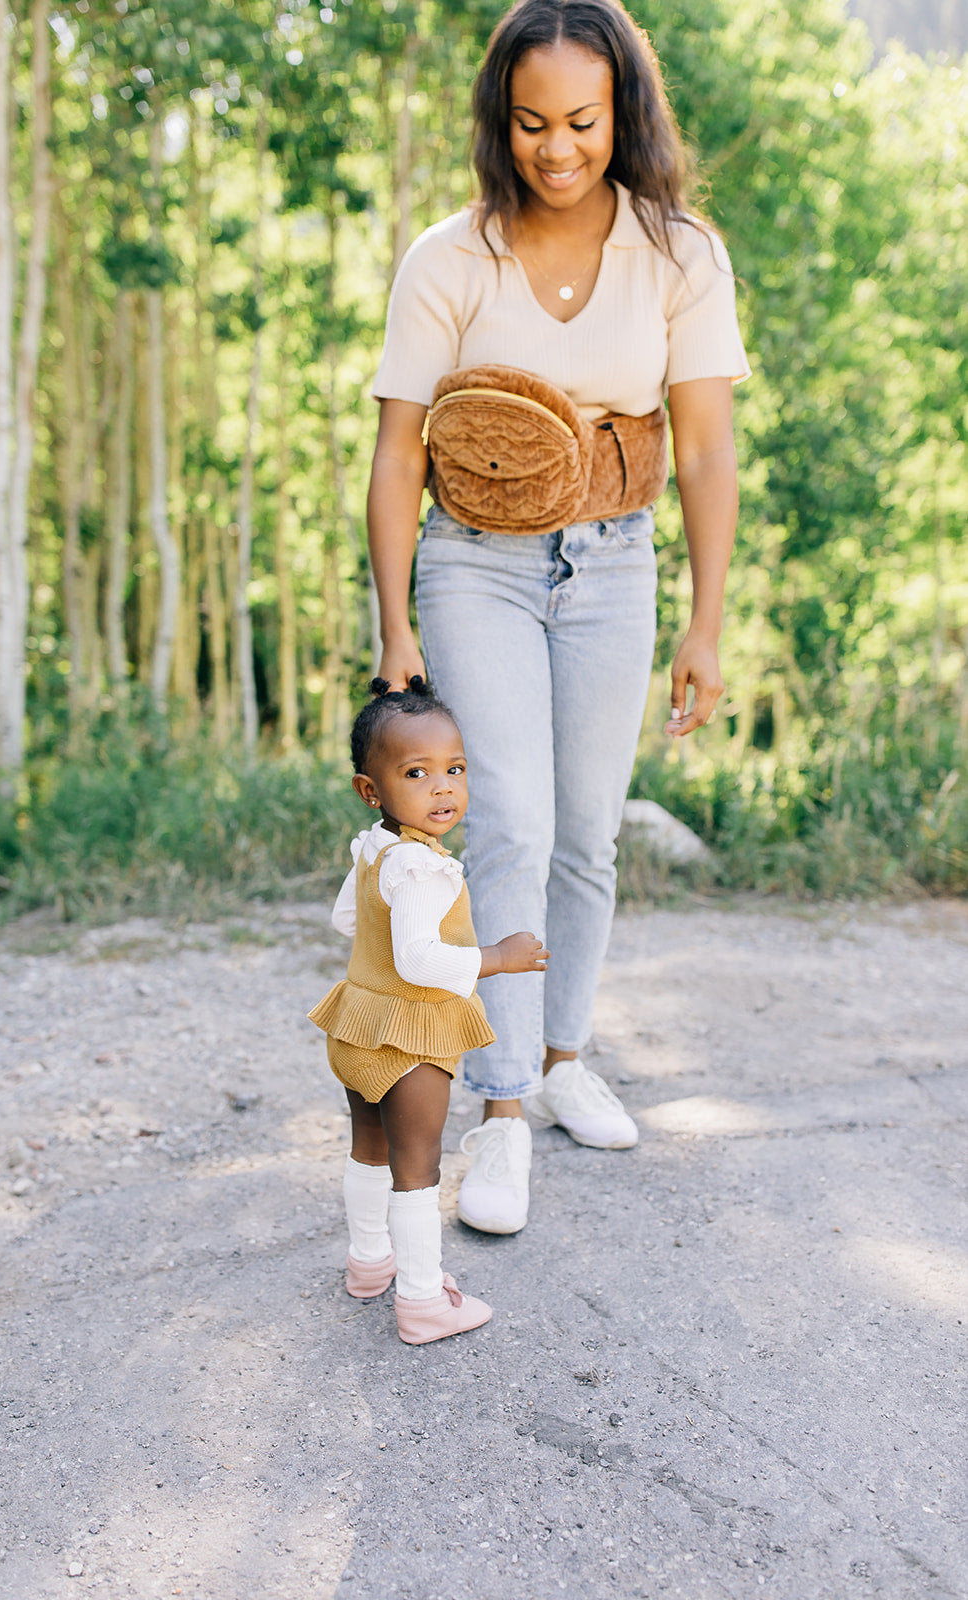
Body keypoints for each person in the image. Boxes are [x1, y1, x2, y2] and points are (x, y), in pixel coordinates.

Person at [366, 0, 749, 1234]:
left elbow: (701, 452)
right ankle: (498, 1118)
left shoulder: (680, 253)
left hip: (615, 560)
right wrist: (394, 626)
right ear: (499, 123)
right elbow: (391, 453)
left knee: (588, 832)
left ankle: (562, 1058)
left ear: (622, 115)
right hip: (473, 562)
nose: (556, 147)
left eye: (580, 121)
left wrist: (706, 621)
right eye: (529, 123)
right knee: (511, 825)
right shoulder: (448, 255)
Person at [308, 678, 550, 1344]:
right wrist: (497, 957)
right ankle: (419, 1300)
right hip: (409, 1038)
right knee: (417, 1170)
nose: (442, 787)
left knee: (368, 1149)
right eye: (416, 773)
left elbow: (343, 918)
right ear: (371, 789)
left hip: (357, 1021)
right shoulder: (424, 868)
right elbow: (418, 962)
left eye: (454, 769)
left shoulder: (373, 847)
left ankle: (367, 1263)